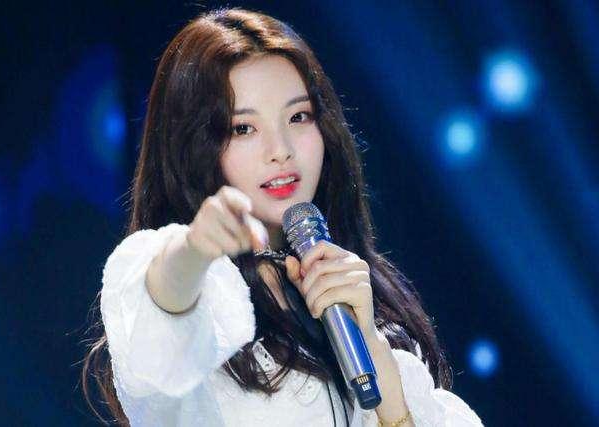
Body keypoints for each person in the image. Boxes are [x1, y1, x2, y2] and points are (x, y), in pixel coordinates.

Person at [82, 7, 483, 427]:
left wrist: (381, 369)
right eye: (243, 128)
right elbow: (166, 303)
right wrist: (195, 249)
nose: (280, 150)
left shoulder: (359, 292)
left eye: (298, 117)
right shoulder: (193, 287)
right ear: (192, 146)